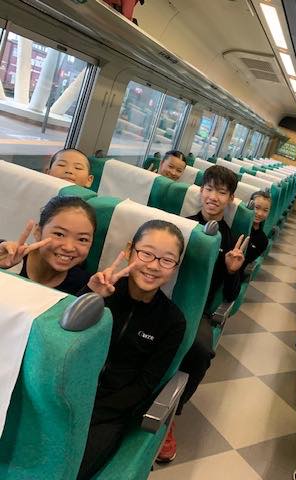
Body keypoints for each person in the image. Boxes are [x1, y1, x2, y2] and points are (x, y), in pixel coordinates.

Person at [77, 220, 187, 479]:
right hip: (69, 391)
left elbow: (144, 384)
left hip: (111, 412)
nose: (153, 265)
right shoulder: (101, 288)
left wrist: (94, 412)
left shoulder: (173, 321)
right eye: (146, 253)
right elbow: (62, 341)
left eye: (166, 260)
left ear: (175, 267)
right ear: (129, 251)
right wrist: (90, 296)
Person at [158, 165, 248, 462]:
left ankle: (171, 413)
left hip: (198, 311)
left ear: (230, 199)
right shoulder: (181, 226)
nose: (213, 197)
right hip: (161, 299)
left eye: (221, 192)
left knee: (200, 351)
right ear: (200, 191)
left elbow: (231, 295)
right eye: (209, 189)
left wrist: (233, 271)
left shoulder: (232, 240)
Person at [0, 196, 95, 295]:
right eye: (59, 234)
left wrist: (92, 291)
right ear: (38, 232)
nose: (69, 247)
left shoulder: (85, 283)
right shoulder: (6, 255)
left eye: (82, 239)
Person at [242, 190, 271, 267]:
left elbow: (246, 262)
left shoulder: (263, 240)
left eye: (265, 210)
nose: (260, 213)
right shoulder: (237, 223)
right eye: (257, 207)